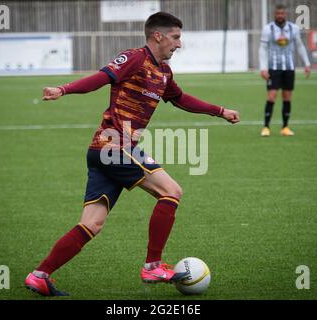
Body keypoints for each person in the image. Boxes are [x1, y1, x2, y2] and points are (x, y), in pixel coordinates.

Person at [24, 11, 240, 296]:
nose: (179, 44)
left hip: (105, 151)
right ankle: (152, 265)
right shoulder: (135, 58)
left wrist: (220, 111)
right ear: (158, 36)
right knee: (171, 191)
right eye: (175, 37)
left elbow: (180, 99)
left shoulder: (163, 71)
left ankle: (39, 275)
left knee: (92, 223)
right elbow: (102, 78)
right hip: (114, 146)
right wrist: (63, 89)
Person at [258, 4, 311, 137]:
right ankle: (266, 127)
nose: (280, 16)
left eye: (282, 13)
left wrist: (307, 63)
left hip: (289, 68)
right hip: (273, 68)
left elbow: (299, 46)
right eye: (278, 13)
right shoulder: (268, 28)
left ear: (285, 14)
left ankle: (285, 127)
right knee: (272, 96)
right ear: (274, 14)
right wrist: (263, 68)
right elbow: (262, 49)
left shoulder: (294, 28)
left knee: (287, 97)